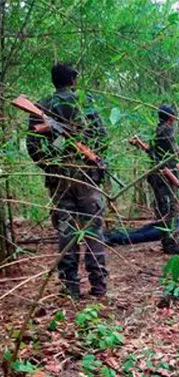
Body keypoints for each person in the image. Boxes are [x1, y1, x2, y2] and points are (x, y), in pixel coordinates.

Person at [26, 63, 108, 299]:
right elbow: (101, 138)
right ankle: (99, 286)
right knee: (92, 230)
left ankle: (70, 286)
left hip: (60, 178)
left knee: (67, 231)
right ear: (72, 80)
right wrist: (93, 158)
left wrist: (50, 165)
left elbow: (33, 145)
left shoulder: (43, 105)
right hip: (86, 177)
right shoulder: (84, 102)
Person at [146, 105, 179, 254]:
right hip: (164, 176)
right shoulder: (166, 130)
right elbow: (175, 152)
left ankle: (167, 242)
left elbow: (156, 153)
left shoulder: (157, 130)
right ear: (171, 117)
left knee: (163, 208)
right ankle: (173, 244)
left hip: (159, 173)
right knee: (169, 209)